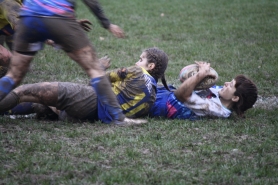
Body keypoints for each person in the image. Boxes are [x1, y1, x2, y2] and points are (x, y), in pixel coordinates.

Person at [0, 0, 132, 124]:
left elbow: (29, 17)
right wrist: (107, 24)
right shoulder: (8, 3)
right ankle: (118, 119)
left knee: (13, 75)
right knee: (95, 69)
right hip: (57, 14)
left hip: (29, 18)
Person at [0, 47, 170, 124]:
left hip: (90, 100)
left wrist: (100, 67)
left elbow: (96, 81)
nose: (136, 61)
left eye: (141, 59)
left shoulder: (137, 72)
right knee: (42, 104)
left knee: (26, 90)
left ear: (151, 66)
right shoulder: (152, 96)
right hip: (88, 117)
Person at [150, 62, 258, 119]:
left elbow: (181, 95)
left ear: (235, 98)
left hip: (162, 104)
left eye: (230, 85)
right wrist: (204, 75)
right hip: (168, 93)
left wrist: (201, 74)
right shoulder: (223, 95)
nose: (225, 83)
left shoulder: (216, 110)